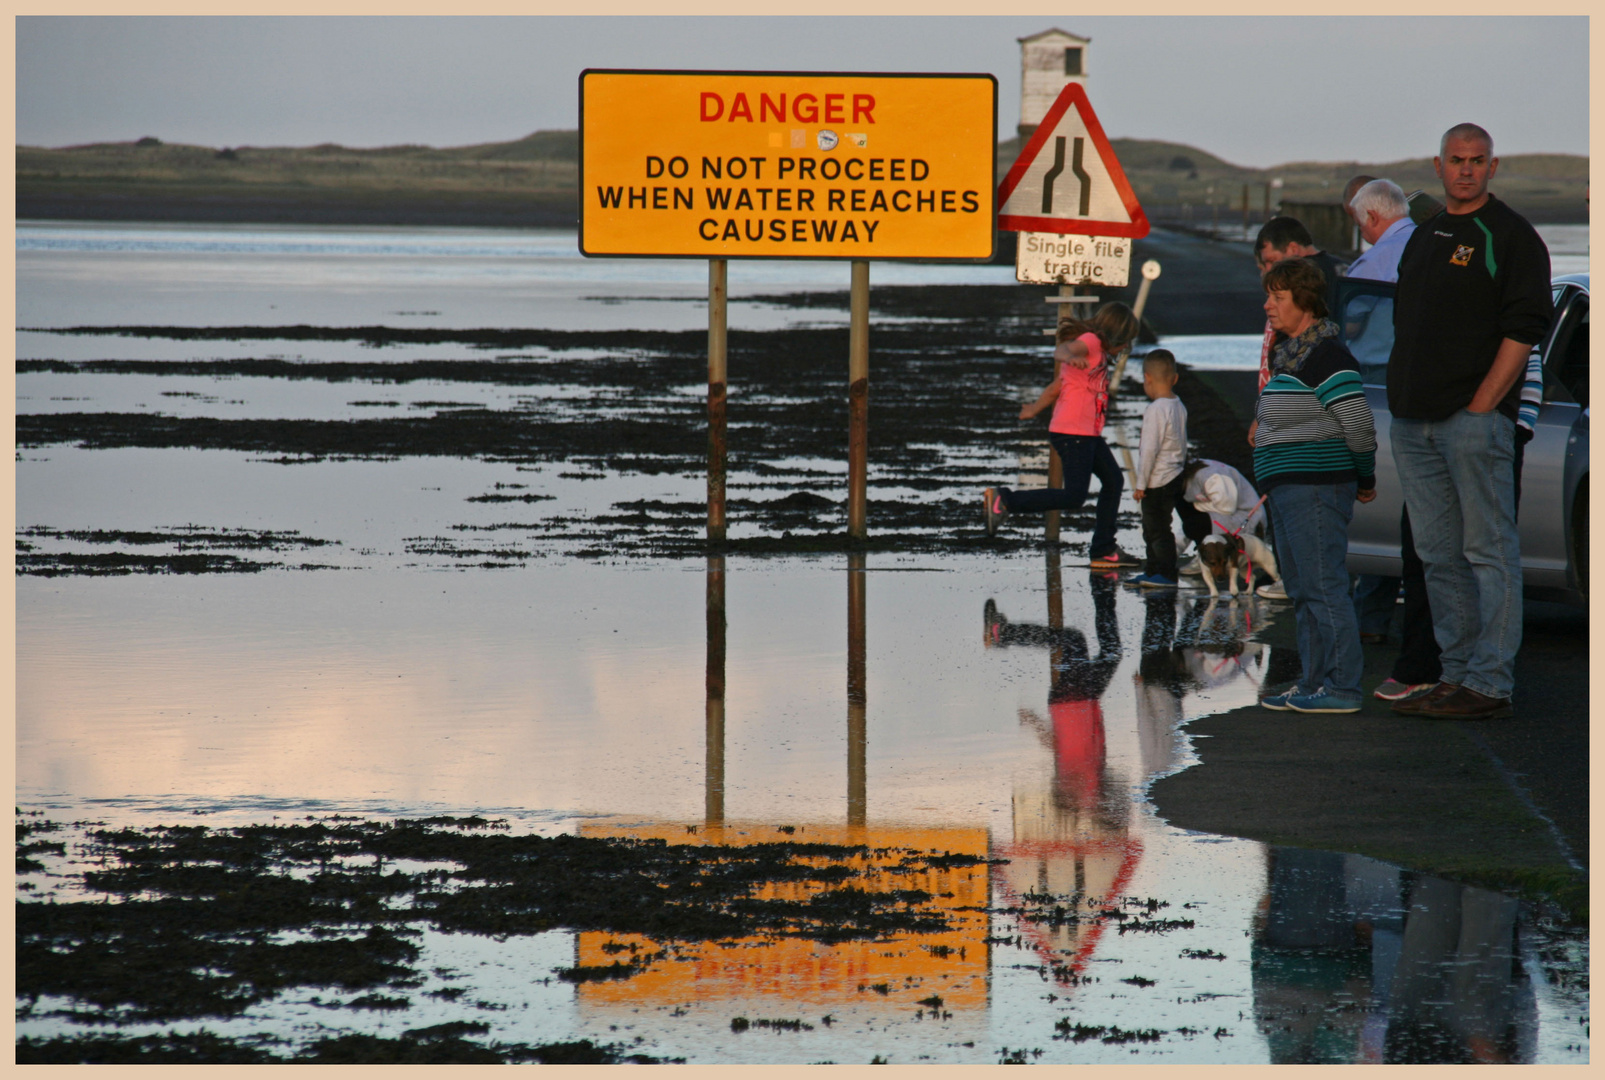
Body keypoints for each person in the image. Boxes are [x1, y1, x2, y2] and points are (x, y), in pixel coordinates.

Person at [1385, 123, 1552, 721]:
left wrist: (1484, 403)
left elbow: (1525, 328)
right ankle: (1453, 674)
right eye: (1456, 160)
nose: (1466, 170)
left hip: (1472, 421)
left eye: (1477, 161)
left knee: (1489, 551)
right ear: (1438, 165)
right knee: (1436, 553)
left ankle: (1490, 682)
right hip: (1413, 421)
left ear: (1493, 166)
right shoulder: (1425, 234)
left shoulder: (1510, 236)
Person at [1254, 257, 1378, 714]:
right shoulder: (1288, 354)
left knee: (1324, 587)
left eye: (1277, 297)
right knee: (1303, 589)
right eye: (1268, 295)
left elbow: (1359, 425)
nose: (1267, 305)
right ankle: (1312, 683)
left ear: (1304, 303)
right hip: (1287, 487)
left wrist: (1365, 479)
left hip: (1317, 487)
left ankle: (1343, 687)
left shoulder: (1328, 355)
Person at [983, 302, 1143, 569]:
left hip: (1085, 434)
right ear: (1115, 335)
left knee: (1114, 481)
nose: (1125, 349)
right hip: (1074, 433)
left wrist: (1034, 408)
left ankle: (1104, 549)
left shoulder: (1098, 352)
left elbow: (1059, 385)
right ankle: (1005, 499)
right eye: (1125, 342)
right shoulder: (1090, 342)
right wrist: (1070, 356)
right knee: (1074, 496)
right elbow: (1062, 350)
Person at [1340, 179, 1418, 644]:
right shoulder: (1426, 242)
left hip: (1378, 382)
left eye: (1359, 225)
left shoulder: (1376, 260)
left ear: (1371, 218)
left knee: (1379, 504)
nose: (1361, 234)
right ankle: (1376, 617)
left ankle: (1367, 622)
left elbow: (1348, 320)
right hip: (1419, 385)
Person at [1129, 350, 1188, 588]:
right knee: (1159, 526)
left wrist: (1140, 484)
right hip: (1175, 475)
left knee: (1156, 530)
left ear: (1147, 379)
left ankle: (1165, 574)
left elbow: (1148, 451)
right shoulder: (1178, 405)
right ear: (1174, 379)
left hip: (1157, 479)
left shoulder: (1155, 410)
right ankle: (1153, 571)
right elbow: (1182, 441)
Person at [1175, 458, 1265, 575]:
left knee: (1195, 521)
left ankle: (1208, 556)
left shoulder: (1209, 475)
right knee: (1185, 508)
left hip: (1249, 521)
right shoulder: (1188, 472)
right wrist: (1170, 554)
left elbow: (1227, 507)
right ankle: (1206, 551)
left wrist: (1196, 506)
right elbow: (1187, 525)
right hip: (1227, 517)